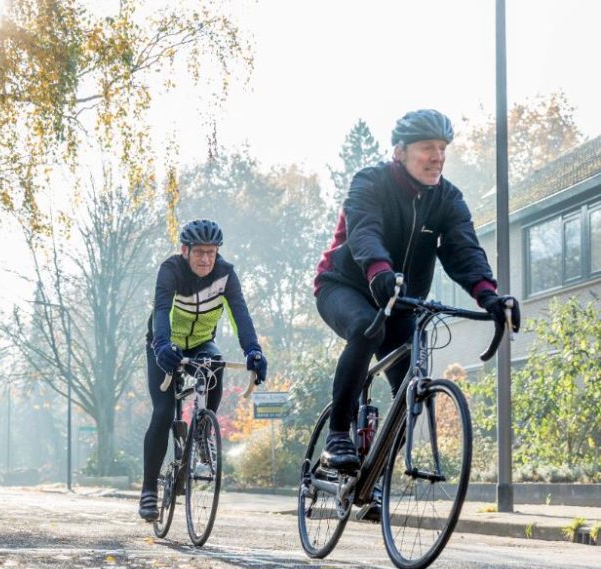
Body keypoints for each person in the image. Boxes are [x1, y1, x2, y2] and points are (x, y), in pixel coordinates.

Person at [315, 108, 520, 476]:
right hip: (344, 285)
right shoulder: (369, 182)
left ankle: (375, 476)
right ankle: (338, 435)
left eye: (442, 148)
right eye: (428, 147)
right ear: (400, 152)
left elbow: (464, 250)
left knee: (411, 385)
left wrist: (489, 295)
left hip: (402, 302)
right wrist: (379, 269)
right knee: (364, 328)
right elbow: (364, 232)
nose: (438, 157)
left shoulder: (447, 199)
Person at [139, 219, 268, 521]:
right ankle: (148, 491)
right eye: (199, 252)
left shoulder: (226, 274)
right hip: (163, 344)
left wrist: (254, 350)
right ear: (185, 251)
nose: (206, 259)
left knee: (216, 362)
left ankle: (202, 431)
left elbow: (241, 315)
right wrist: (162, 346)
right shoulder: (171, 270)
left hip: (199, 344)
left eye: (211, 252)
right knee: (162, 412)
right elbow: (161, 310)